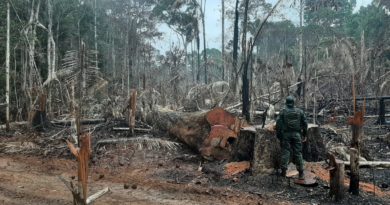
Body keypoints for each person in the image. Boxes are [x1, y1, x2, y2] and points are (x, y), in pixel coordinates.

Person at [276, 96, 308, 180]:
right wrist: (305, 134)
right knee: (298, 152)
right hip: (297, 135)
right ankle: (301, 173)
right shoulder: (300, 111)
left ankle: (283, 172)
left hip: (286, 135)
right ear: (293, 103)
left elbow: (278, 125)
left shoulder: (282, 112)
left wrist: (279, 135)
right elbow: (305, 124)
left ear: (286, 103)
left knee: (285, 151)